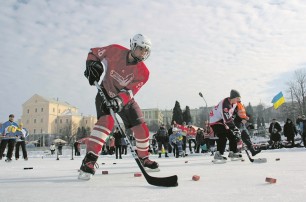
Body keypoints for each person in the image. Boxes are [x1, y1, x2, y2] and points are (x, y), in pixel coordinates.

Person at [79, 34, 158, 179]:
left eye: (146, 51)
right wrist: (91, 64)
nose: (143, 53)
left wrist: (118, 101)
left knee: (141, 128)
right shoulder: (114, 50)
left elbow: (130, 91)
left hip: (125, 100)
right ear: (133, 46)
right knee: (106, 123)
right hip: (105, 92)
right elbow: (93, 53)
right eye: (141, 49)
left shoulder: (144, 73)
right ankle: (89, 161)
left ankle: (144, 158)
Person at [209, 90, 243, 162]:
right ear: (233, 98)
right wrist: (234, 128)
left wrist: (234, 128)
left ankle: (233, 152)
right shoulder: (225, 104)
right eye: (237, 98)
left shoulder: (234, 104)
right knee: (223, 136)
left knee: (232, 135)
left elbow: (231, 115)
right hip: (215, 121)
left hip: (222, 120)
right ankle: (218, 154)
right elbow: (227, 119)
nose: (239, 100)